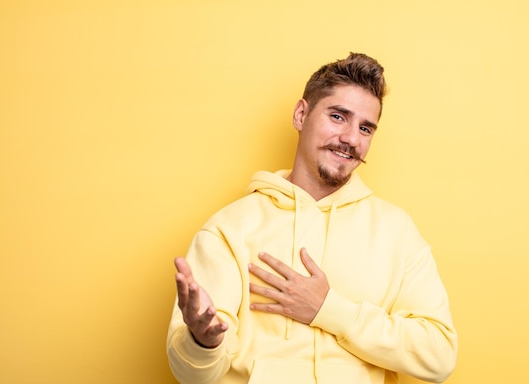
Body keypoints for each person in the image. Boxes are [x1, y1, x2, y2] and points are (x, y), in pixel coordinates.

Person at [166, 53, 458, 384]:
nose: (351, 138)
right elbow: (191, 375)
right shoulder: (229, 228)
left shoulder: (397, 232)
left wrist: (329, 310)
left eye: (365, 128)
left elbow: (439, 356)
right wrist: (202, 343)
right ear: (301, 114)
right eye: (338, 116)